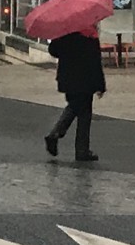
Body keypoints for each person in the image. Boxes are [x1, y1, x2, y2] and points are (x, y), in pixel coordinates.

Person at [43, 26, 106, 161]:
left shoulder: (67, 32)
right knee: (81, 112)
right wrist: (100, 85)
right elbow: (96, 62)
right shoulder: (90, 36)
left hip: (67, 79)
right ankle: (58, 136)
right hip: (85, 81)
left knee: (77, 108)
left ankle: (80, 149)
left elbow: (53, 50)